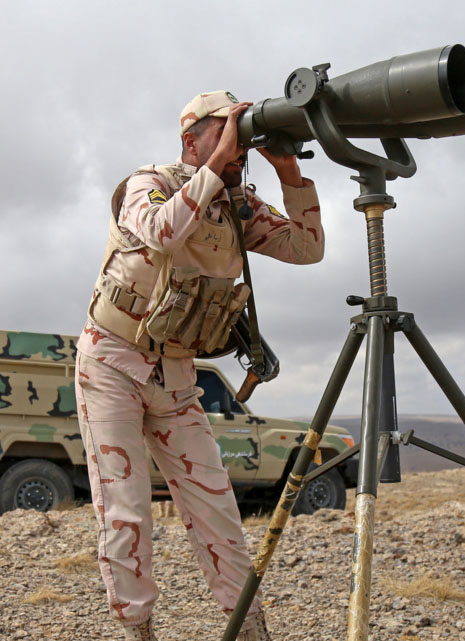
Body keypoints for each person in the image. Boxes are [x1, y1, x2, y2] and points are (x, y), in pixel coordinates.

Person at [74, 91, 324, 641]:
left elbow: (308, 248)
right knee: (126, 510)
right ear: (191, 142)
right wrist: (216, 167)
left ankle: (249, 627)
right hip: (112, 364)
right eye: (225, 130)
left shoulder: (237, 206)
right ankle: (137, 629)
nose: (239, 145)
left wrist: (289, 174)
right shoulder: (150, 184)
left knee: (217, 508)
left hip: (177, 376)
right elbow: (161, 231)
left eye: (242, 133)